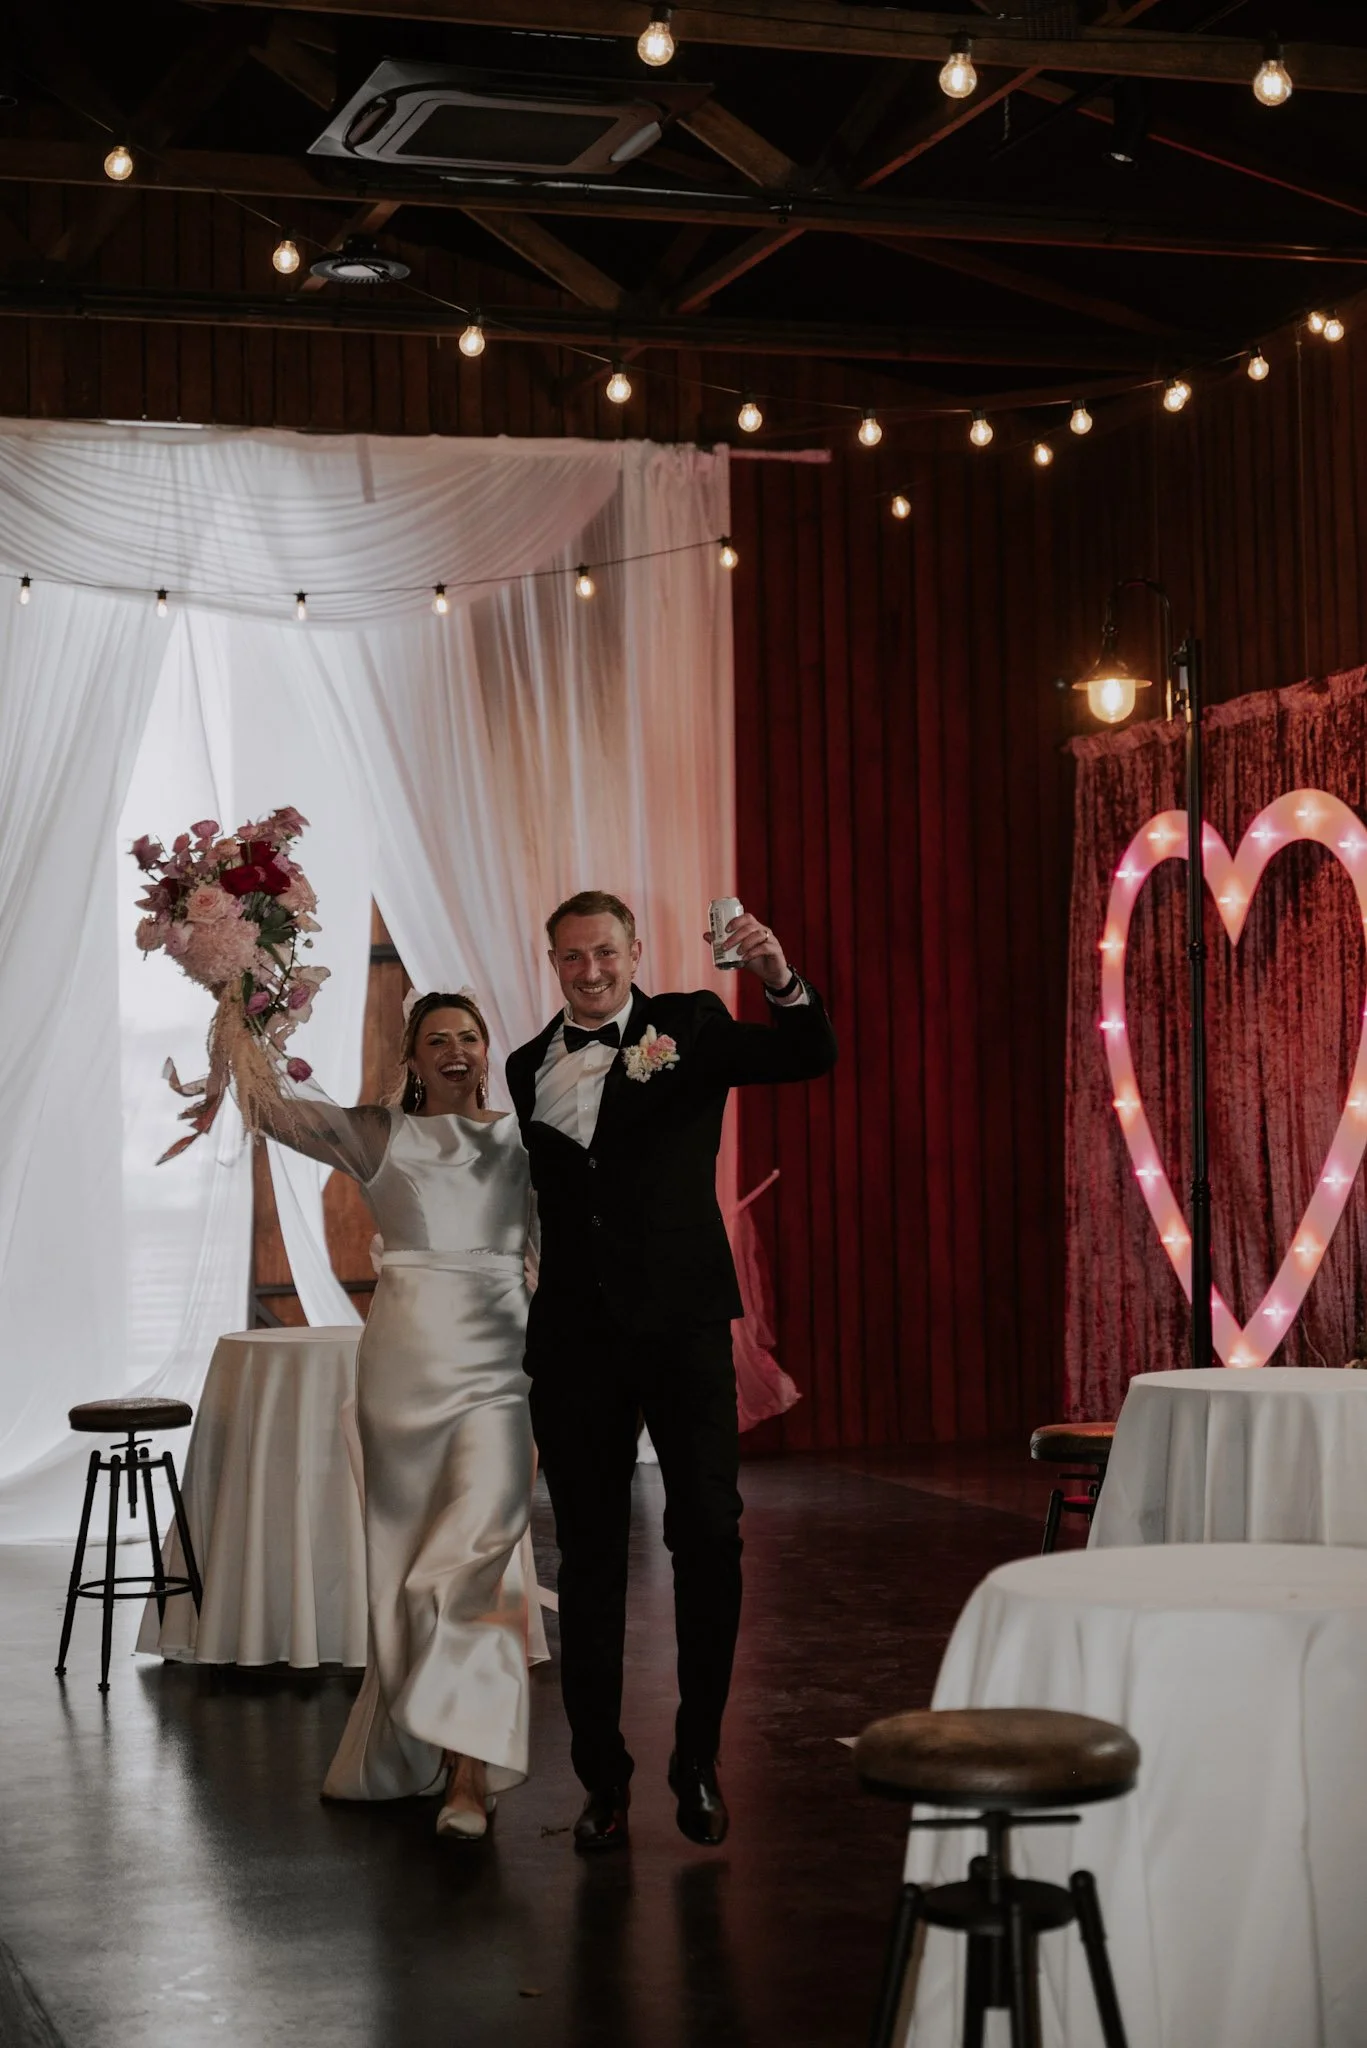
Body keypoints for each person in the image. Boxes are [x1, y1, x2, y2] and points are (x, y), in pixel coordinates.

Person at [506, 890, 837, 1852]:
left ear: (634, 949)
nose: (591, 971)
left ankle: (696, 1760)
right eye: (571, 958)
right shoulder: (528, 1067)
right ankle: (600, 1779)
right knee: (593, 1558)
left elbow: (808, 1053)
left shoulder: (689, 1024)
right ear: (553, 962)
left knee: (707, 1536)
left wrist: (777, 977)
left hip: (685, 1329)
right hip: (574, 1344)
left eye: (604, 952)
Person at [247, 990, 542, 1841]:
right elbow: (264, 1108)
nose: (457, 1050)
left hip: (502, 1371)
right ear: (411, 1060)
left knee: (473, 1561)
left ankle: (469, 1775)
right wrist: (240, 1002)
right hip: (403, 1376)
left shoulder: (527, 1142)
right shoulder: (378, 1134)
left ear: (488, 1050)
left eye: (470, 1037)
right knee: (408, 1564)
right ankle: (428, 1748)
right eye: (437, 1040)